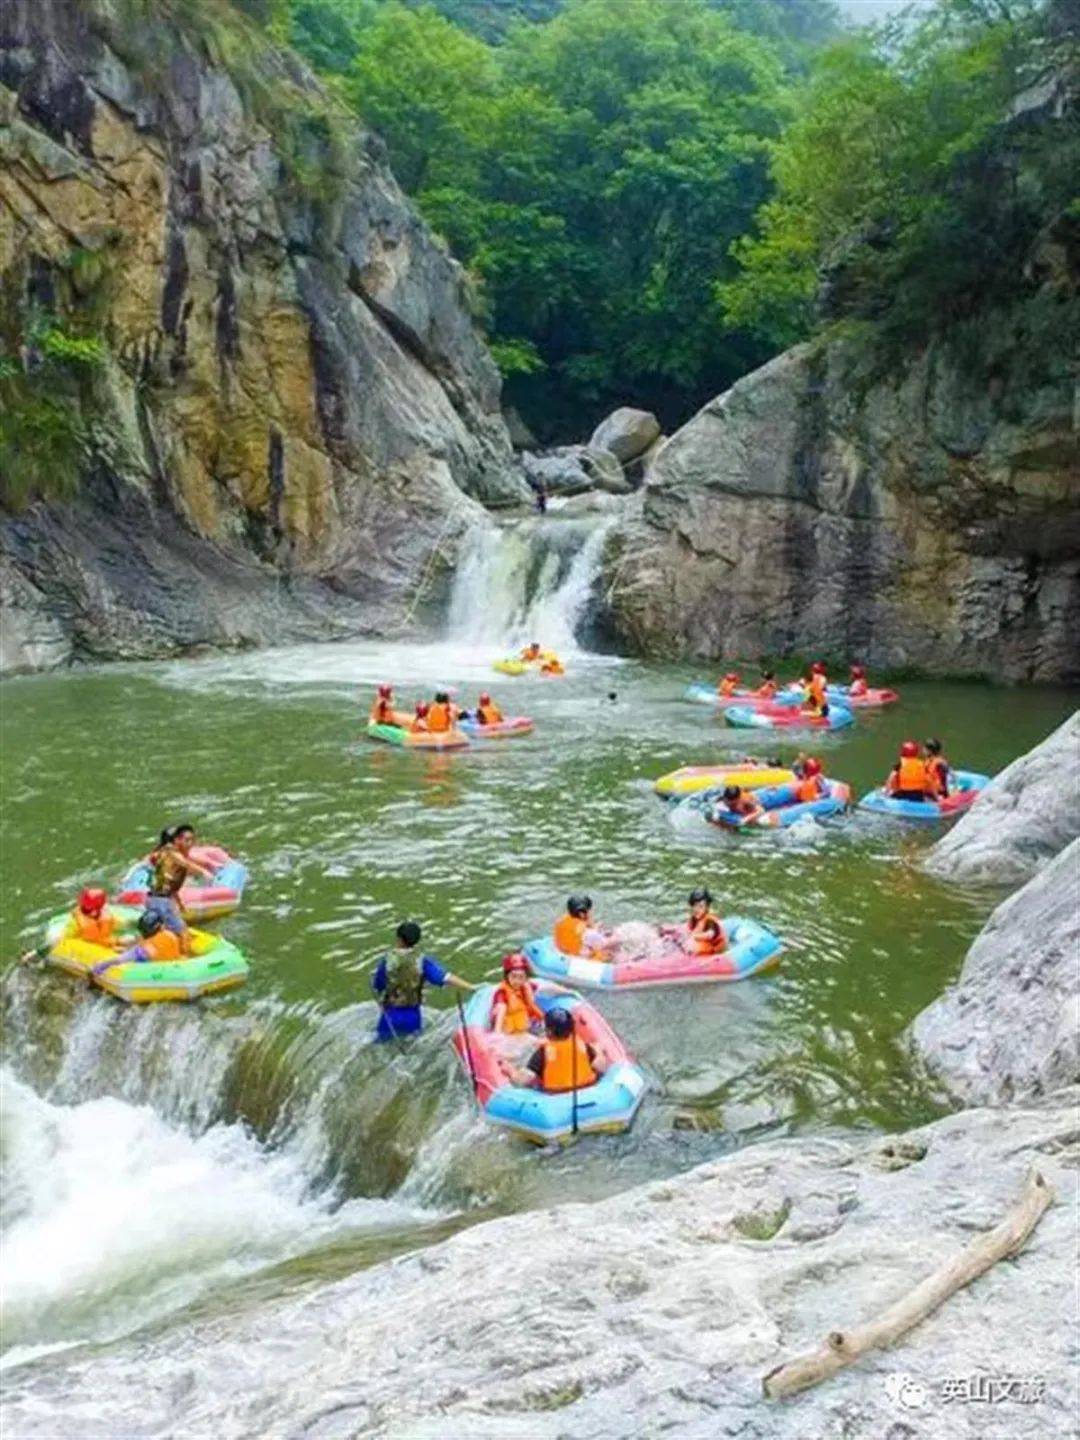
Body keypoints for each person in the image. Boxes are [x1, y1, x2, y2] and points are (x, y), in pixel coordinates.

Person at [371, 921, 473, 1042]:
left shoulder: (387, 960)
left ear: (399, 939)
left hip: (390, 1016)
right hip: (413, 1016)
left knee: (381, 1044)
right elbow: (445, 977)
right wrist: (471, 987)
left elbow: (377, 985)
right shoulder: (422, 961)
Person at [146, 824, 216, 954]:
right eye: (186, 840)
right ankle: (184, 960)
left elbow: (168, 883)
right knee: (183, 933)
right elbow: (184, 864)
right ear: (177, 840)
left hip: (154, 899)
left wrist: (178, 903)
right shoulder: (171, 852)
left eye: (192, 840)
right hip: (162, 902)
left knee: (156, 931)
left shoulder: (165, 853)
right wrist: (203, 872)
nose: (190, 844)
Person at [509, 1007, 608, 1092]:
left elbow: (521, 1080)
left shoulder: (542, 1053)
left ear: (549, 1032)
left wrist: (510, 1071)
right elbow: (602, 1067)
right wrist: (599, 1052)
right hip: (586, 1089)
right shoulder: (582, 1046)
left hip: (555, 1095)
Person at [92, 909, 183, 976]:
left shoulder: (144, 949)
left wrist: (100, 966)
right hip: (173, 970)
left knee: (129, 953)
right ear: (162, 927)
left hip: (153, 974)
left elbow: (119, 959)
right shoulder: (170, 935)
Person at [490, 954, 545, 1035]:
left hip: (528, 1028)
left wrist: (568, 992)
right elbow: (500, 1009)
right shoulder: (501, 993)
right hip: (510, 1035)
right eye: (513, 976)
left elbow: (545, 987)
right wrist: (497, 1033)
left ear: (525, 977)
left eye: (521, 977)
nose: (517, 981)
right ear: (507, 976)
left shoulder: (526, 987)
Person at [686, 887, 726, 956]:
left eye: (701, 906)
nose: (697, 909)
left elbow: (710, 934)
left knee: (695, 947)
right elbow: (688, 930)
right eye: (695, 906)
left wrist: (693, 936)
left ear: (707, 907)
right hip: (701, 942)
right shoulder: (694, 919)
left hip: (712, 948)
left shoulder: (710, 920)